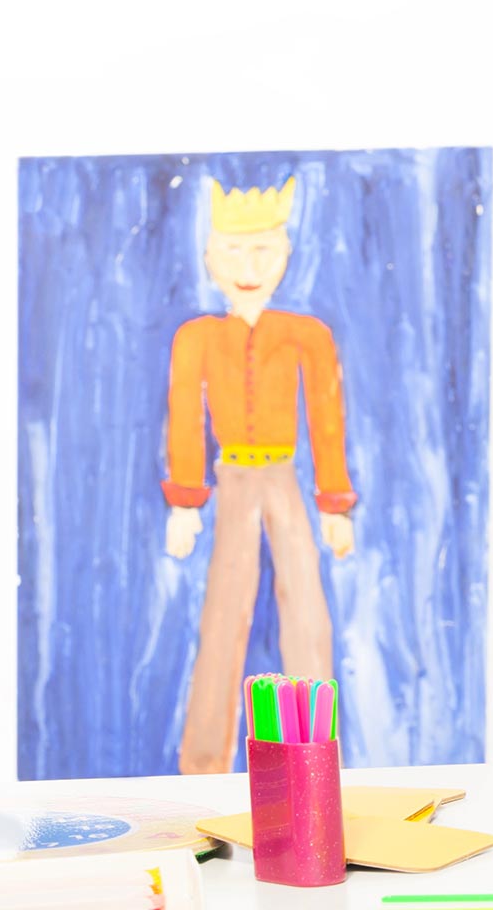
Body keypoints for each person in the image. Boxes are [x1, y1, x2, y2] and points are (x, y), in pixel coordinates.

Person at [163, 176, 356, 774]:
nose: (249, 266)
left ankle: (315, 762)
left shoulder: (306, 335)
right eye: (234, 251)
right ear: (209, 258)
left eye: (263, 251)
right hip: (230, 483)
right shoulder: (196, 338)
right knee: (223, 614)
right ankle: (202, 766)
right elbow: (185, 420)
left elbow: (326, 416)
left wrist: (333, 505)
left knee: (306, 611)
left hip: (285, 480)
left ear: (286, 256)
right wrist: (186, 504)